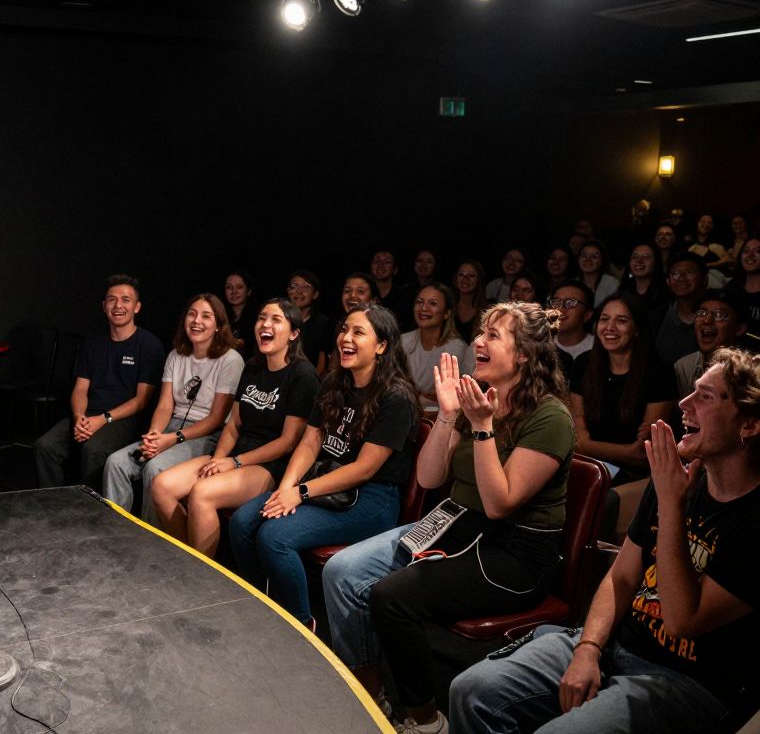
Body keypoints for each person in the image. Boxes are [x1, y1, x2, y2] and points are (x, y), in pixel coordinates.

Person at [451, 347, 760, 734]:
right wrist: (588, 649)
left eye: (706, 396)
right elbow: (620, 578)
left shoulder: (749, 520)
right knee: (471, 690)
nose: (684, 403)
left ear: (748, 425)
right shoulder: (675, 480)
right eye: (692, 390)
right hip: (616, 644)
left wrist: (670, 507)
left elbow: (682, 620)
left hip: (687, 681)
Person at [322, 302, 574, 734]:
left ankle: (426, 719)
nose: (478, 341)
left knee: (391, 596)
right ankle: (369, 690)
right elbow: (429, 475)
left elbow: (500, 504)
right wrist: (448, 416)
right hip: (458, 522)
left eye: (493, 336)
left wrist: (481, 427)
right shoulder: (474, 395)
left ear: (525, 355)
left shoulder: (550, 417)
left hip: (514, 552)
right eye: (480, 332)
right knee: (340, 571)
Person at [229, 304, 417, 628]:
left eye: (358, 332)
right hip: (324, 482)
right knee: (243, 521)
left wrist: (299, 493)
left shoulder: (395, 397)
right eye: (344, 329)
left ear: (382, 345)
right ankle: (261, 604)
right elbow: (309, 443)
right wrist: (287, 487)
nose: (346, 337)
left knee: (274, 536)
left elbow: (364, 469)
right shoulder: (333, 382)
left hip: (371, 497)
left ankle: (300, 625)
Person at [151, 298, 320, 556]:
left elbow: (287, 442)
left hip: (270, 466)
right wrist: (218, 459)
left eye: (276, 319)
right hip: (236, 456)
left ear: (294, 333)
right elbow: (234, 424)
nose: (266, 324)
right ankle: (187, 560)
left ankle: (203, 576)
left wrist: (236, 462)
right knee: (162, 486)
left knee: (201, 493)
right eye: (262, 318)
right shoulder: (252, 366)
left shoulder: (303, 375)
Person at [102, 294, 244, 526]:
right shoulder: (176, 355)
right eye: (192, 314)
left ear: (218, 325)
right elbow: (165, 405)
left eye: (206, 316)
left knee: (155, 469)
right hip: (171, 427)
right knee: (116, 463)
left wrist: (171, 439)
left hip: (207, 435)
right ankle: (116, 529)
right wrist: (155, 436)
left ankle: (150, 538)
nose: (197, 321)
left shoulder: (230, 360)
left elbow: (217, 418)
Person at [33, 274, 164, 490]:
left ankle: (92, 514)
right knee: (44, 446)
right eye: (112, 300)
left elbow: (141, 401)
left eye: (125, 300)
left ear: (137, 307)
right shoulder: (93, 342)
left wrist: (103, 420)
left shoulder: (149, 345)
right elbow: (80, 389)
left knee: (93, 450)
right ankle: (52, 506)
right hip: (89, 414)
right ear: (104, 306)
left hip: (125, 419)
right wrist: (79, 418)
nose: (118, 305)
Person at [571, 293, 675, 483]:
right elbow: (576, 442)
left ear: (637, 329)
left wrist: (588, 445)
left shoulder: (659, 372)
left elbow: (644, 455)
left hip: (636, 476)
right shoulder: (583, 364)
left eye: (621, 320)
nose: (610, 327)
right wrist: (626, 451)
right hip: (588, 466)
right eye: (604, 319)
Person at [401, 283, 474, 413]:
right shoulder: (402, 341)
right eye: (419, 302)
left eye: (433, 303)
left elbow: (452, 393)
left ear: (446, 313)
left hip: (441, 417)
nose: (423, 308)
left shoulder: (456, 347)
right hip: (405, 410)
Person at [673, 289, 747, 399]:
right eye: (702, 313)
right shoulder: (684, 367)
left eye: (719, 315)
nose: (707, 320)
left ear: (739, 328)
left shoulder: (751, 371)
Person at [655, 251, 708, 364]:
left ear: (705, 279)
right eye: (675, 273)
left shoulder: (713, 317)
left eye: (689, 272)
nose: (681, 278)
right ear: (668, 281)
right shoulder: (658, 316)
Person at [548, 280, 595, 382]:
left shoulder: (598, 348)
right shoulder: (541, 345)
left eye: (570, 303)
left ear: (587, 315)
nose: (561, 309)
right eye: (556, 302)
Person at [287, 269, 331, 374]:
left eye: (306, 287)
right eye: (294, 286)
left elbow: (322, 367)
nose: (299, 291)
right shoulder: (279, 321)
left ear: (315, 294)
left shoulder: (324, 324)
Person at [223, 270, 258, 359]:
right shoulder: (219, 316)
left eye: (239, 287)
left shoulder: (258, 318)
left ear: (249, 291)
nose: (234, 291)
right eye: (229, 287)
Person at [451, 259, 488, 344]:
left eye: (471, 276)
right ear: (456, 279)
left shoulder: (487, 310)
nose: (465, 279)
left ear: (479, 281)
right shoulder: (448, 305)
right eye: (461, 275)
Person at [576, 239, 620, 307]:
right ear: (578, 259)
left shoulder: (612, 283)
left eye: (594, 256)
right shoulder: (573, 283)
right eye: (584, 256)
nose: (588, 260)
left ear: (602, 261)